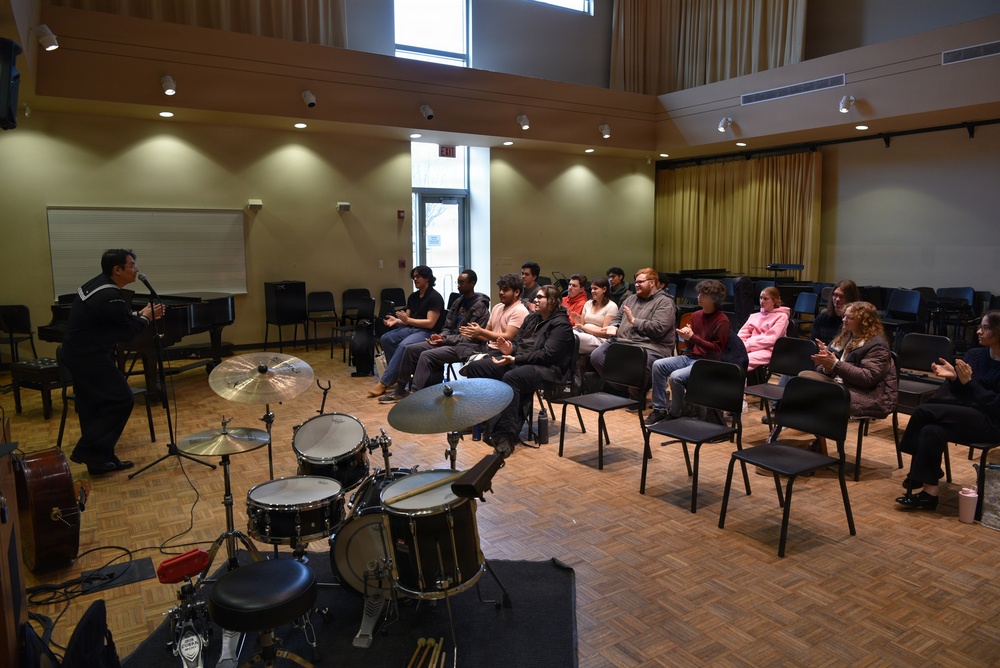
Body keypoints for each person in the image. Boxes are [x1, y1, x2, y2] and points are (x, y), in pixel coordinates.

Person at [61, 249, 164, 475]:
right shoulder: (111, 296)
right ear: (117, 270)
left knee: (93, 405)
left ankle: (99, 461)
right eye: (132, 266)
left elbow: (115, 320)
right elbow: (126, 332)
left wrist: (140, 314)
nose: (137, 270)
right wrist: (147, 317)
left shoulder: (98, 285)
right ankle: (88, 451)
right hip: (89, 357)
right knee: (122, 399)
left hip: (77, 353)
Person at [896, 312, 1000, 510]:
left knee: (921, 412)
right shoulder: (975, 355)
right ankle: (929, 495)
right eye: (980, 326)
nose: (978, 331)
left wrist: (968, 382)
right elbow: (965, 395)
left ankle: (915, 473)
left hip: (993, 423)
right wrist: (954, 378)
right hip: (968, 415)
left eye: (985, 328)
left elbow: (995, 406)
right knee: (930, 431)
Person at [462, 285, 574, 456]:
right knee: (477, 368)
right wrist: (509, 349)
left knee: (512, 377)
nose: (535, 300)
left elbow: (547, 355)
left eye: (540, 297)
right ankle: (481, 421)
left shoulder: (561, 325)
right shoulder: (532, 319)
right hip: (524, 362)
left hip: (549, 370)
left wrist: (515, 358)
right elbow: (519, 343)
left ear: (551, 302)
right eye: (536, 296)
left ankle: (506, 435)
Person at [380, 273, 528, 402]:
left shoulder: (502, 309)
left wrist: (449, 339)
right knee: (410, 349)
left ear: (516, 292)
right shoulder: (490, 306)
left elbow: (499, 336)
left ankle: (415, 396)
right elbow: (452, 326)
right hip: (457, 342)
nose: (501, 293)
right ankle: (400, 390)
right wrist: (442, 336)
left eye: (505, 290)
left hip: (469, 346)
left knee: (426, 355)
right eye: (500, 289)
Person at [804, 301, 897, 453]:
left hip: (866, 394)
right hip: (840, 385)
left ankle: (800, 441)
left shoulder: (877, 345)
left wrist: (835, 364)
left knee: (811, 393)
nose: (844, 320)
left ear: (863, 322)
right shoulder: (845, 337)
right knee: (804, 379)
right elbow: (823, 368)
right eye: (844, 316)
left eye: (849, 318)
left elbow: (867, 378)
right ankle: (805, 441)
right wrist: (827, 365)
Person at [645, 280, 729, 424]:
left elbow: (717, 350)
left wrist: (693, 337)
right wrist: (686, 338)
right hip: (691, 357)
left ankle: (675, 413)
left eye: (703, 295)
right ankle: (659, 409)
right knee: (658, 365)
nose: (699, 297)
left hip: (707, 363)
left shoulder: (722, 321)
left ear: (714, 299)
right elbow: (691, 346)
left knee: (676, 377)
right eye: (699, 293)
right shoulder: (696, 315)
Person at [590, 267, 676, 390]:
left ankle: (636, 395)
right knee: (597, 356)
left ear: (652, 283)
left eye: (640, 282)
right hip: (623, 341)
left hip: (650, 346)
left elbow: (659, 328)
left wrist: (635, 321)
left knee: (638, 361)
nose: (636, 285)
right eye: (636, 282)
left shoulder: (665, 302)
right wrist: (614, 326)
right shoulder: (630, 299)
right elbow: (617, 318)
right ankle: (621, 388)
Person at [369, 265, 444, 397]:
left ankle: (385, 382)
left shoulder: (434, 297)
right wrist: (397, 320)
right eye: (414, 277)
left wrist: (407, 321)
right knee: (386, 338)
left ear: (427, 278)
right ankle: (396, 374)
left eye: (418, 277)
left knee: (404, 345)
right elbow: (407, 319)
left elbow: (430, 323)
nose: (415, 279)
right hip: (413, 329)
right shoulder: (413, 297)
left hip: (427, 332)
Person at [738, 286, 790, 372]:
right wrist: (741, 345)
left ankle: (740, 384)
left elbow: (771, 339)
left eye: (766, 299)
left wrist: (749, 345)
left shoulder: (782, 317)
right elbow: (742, 333)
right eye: (761, 298)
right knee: (730, 357)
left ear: (774, 301)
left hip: (769, 350)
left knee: (742, 361)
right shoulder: (754, 316)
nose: (762, 301)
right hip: (748, 347)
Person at [570, 276, 618, 355]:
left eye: (595, 289)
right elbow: (581, 324)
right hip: (583, 333)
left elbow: (605, 333)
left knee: (571, 337)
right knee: (563, 331)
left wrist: (583, 327)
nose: (592, 291)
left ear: (604, 289)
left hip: (599, 339)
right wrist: (578, 322)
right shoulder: (588, 303)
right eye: (591, 289)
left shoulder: (612, 306)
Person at [812, 279, 860, 344]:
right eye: (835, 295)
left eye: (842, 296)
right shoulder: (821, 318)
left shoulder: (853, 322)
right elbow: (813, 342)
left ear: (851, 298)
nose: (837, 299)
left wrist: (827, 349)